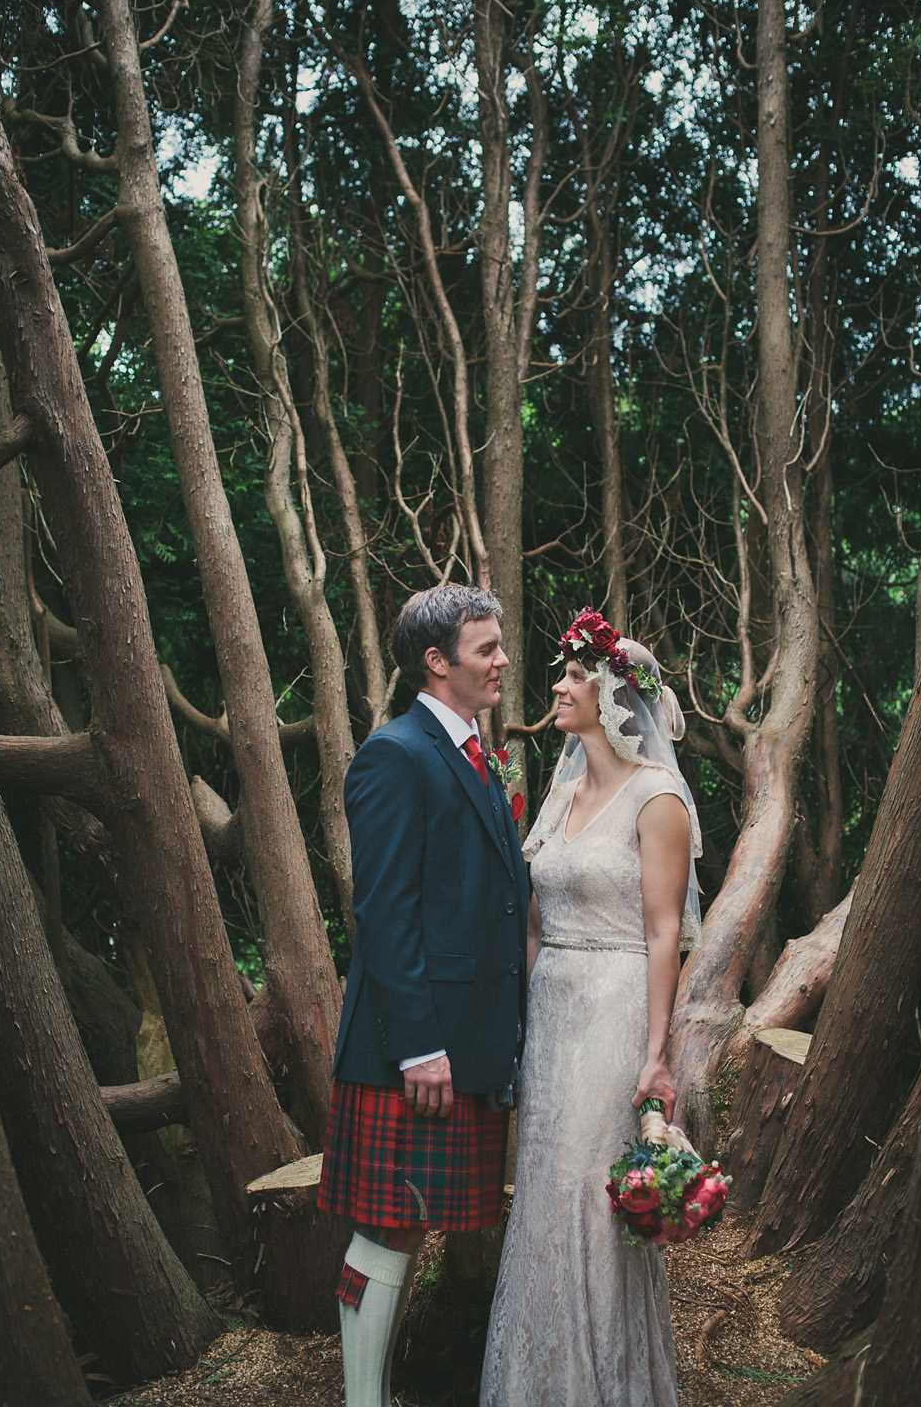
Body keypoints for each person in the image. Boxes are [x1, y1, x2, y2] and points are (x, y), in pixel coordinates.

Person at [480, 608, 702, 1407]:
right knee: (542, 1193)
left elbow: (664, 931)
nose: (556, 685)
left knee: (588, 1200)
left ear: (614, 692)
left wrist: (655, 1053)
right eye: (564, 672)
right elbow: (537, 919)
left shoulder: (659, 799)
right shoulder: (563, 786)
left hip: (614, 1009)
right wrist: (523, 1024)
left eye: (574, 674)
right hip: (551, 1014)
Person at [317, 584, 530, 1407]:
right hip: (411, 1051)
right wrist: (418, 1046)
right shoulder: (395, 754)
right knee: (389, 1225)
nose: (502, 659)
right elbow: (384, 911)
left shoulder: (477, 750)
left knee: (408, 1224)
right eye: (487, 648)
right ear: (437, 662)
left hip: (464, 1043)